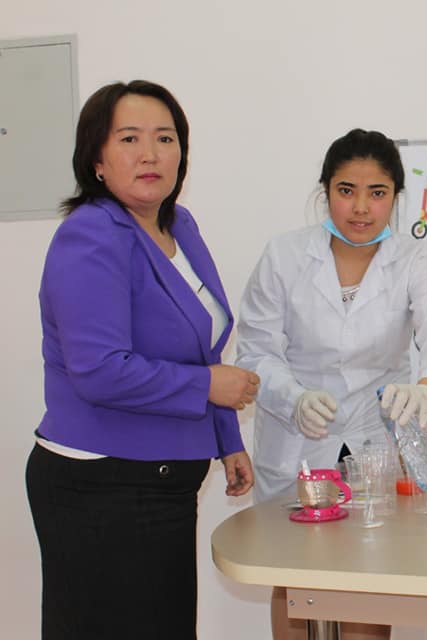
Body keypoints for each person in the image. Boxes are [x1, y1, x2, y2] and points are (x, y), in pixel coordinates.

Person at [25, 80, 260, 640]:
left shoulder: (179, 226)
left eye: (165, 138)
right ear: (97, 159)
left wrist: (226, 438)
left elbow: (201, 347)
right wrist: (208, 388)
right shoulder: (91, 235)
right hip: (99, 485)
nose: (150, 154)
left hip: (162, 479)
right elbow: (100, 370)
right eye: (129, 138)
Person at [236, 128, 427, 640]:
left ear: (395, 197)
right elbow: (255, 350)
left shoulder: (412, 258)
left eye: (377, 192)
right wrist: (293, 398)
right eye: (347, 190)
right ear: (326, 191)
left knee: (368, 573)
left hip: (373, 438)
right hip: (298, 438)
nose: (361, 208)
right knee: (294, 579)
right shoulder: (284, 255)